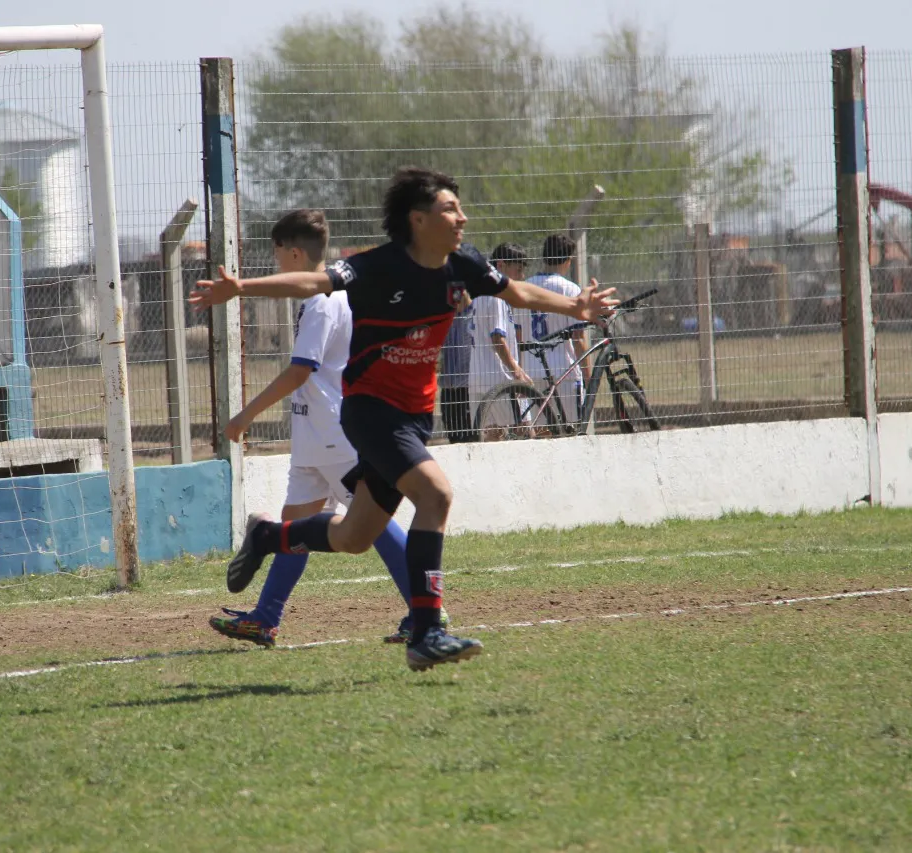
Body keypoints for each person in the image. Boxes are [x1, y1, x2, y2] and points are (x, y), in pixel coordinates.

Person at [189, 166, 617, 671]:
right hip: (371, 412)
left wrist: (575, 307)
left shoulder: (464, 264)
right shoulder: (379, 266)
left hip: (416, 416)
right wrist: (242, 288)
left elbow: (517, 294)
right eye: (449, 209)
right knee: (435, 495)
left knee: (354, 537)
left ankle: (269, 536)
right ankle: (427, 631)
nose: (462, 217)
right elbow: (314, 279)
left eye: (459, 207)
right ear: (417, 220)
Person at [207, 209, 425, 647]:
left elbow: (300, 371)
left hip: (334, 430)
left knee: (374, 523)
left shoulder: (324, 301)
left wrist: (244, 416)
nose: (275, 265)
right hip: (314, 432)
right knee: (293, 525)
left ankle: (425, 614)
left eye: (275, 256)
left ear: (292, 254)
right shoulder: (327, 297)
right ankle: (264, 618)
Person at [514, 233, 592, 426]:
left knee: (542, 435)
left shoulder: (524, 288)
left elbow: (518, 337)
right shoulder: (570, 289)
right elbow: (578, 338)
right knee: (573, 431)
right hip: (564, 373)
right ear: (567, 260)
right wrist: (589, 378)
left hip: (532, 372)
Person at [469, 243, 532, 441]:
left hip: (477, 377)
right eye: (518, 269)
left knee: (492, 439)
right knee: (525, 431)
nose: (521, 276)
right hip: (499, 378)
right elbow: (497, 337)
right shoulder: (496, 295)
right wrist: (516, 369)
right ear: (502, 265)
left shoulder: (476, 292)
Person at [437, 290, 475, 443]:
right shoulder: (445, 317)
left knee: (469, 435)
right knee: (452, 437)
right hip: (447, 387)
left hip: (466, 387)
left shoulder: (473, 315)